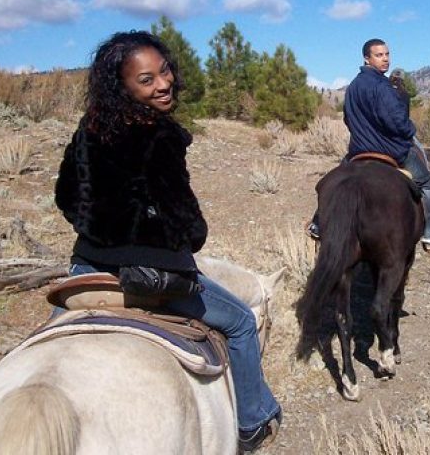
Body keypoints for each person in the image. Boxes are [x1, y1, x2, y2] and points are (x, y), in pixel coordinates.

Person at [54, 30, 281, 453]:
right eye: (147, 79)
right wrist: (183, 236)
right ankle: (254, 419)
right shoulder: (158, 135)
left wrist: (102, 233)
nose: (163, 83)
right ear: (123, 86)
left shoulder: (89, 128)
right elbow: (185, 224)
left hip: (88, 266)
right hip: (149, 275)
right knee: (241, 323)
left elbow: (67, 197)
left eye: (164, 71)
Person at [308, 38, 430, 252]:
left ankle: (318, 223)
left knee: (337, 180)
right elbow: (396, 121)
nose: (385, 59)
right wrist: (410, 131)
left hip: (359, 150)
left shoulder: (352, 87)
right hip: (391, 151)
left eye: (387, 54)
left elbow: (348, 119)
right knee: (427, 184)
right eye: (379, 55)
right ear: (367, 58)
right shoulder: (383, 86)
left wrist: (363, 134)